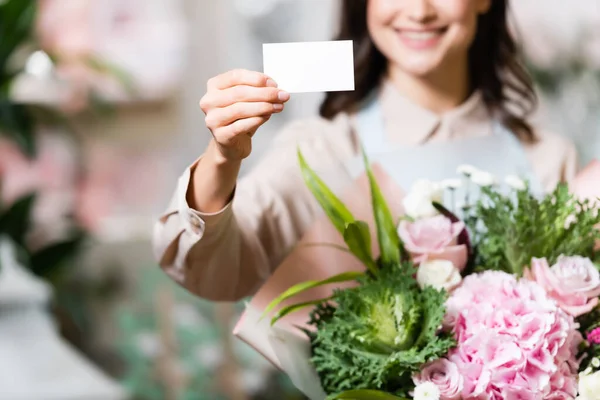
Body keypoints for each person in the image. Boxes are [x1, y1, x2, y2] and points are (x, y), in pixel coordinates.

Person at [153, 0, 578, 302]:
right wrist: (223, 158)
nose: (419, 10)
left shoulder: (549, 159)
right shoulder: (320, 152)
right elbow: (212, 273)